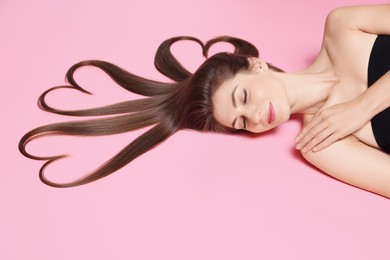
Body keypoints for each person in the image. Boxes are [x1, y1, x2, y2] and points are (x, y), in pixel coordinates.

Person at [19, 4, 390, 198]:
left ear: (255, 66)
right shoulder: (319, 145)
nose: (255, 117)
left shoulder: (343, 26)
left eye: (242, 97)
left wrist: (362, 107)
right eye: (241, 122)